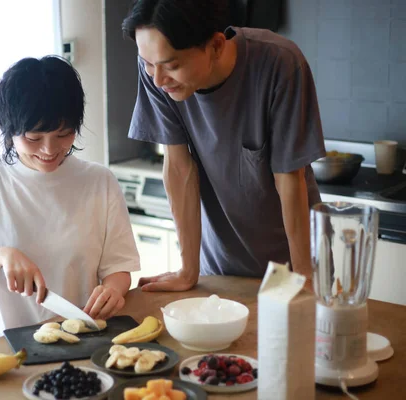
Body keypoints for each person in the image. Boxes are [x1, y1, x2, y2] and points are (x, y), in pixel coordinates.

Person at [0, 56, 140, 344]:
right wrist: (0, 256)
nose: (49, 150)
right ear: (10, 132)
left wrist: (114, 290)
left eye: (63, 134)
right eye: (33, 137)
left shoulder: (99, 182)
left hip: (79, 339)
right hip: (2, 343)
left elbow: (118, 268)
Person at [121, 0, 325, 291]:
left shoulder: (280, 63)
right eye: (148, 64)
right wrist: (188, 271)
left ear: (216, 46)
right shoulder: (156, 73)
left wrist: (303, 275)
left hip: (292, 266)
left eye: (172, 66)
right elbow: (179, 168)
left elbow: (289, 177)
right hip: (218, 268)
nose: (157, 78)